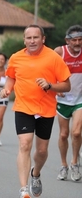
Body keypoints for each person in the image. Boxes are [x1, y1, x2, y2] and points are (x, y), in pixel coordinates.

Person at [0, 24, 71, 198]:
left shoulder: (53, 58)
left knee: (41, 151)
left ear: (43, 39)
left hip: (45, 109)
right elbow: (11, 77)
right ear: (24, 40)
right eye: (29, 38)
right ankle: (24, 190)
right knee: (24, 145)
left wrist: (50, 85)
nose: (32, 41)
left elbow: (66, 85)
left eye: (35, 37)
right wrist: (7, 89)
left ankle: (36, 173)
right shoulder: (16, 58)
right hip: (23, 107)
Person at [54, 25, 82, 182]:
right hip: (63, 99)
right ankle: (63, 164)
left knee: (76, 132)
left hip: (80, 99)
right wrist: (54, 86)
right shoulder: (60, 52)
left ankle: (75, 162)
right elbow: (46, 67)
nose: (78, 43)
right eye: (75, 40)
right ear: (67, 41)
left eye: (80, 40)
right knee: (64, 134)